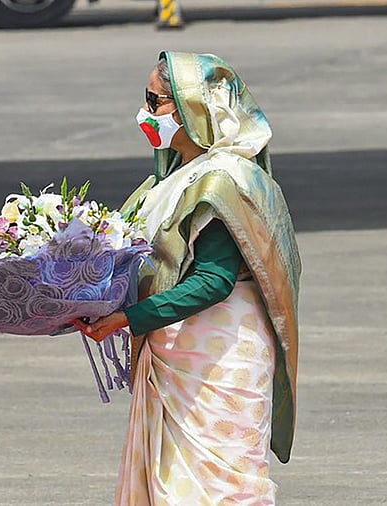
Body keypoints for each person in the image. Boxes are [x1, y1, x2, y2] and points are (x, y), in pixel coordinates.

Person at [73, 51, 301, 505]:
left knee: (219, 489)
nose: (145, 113)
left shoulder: (223, 181)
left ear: (192, 109)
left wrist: (128, 318)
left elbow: (214, 280)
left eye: (154, 101)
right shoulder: (174, 178)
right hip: (180, 353)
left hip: (219, 355)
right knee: (173, 485)